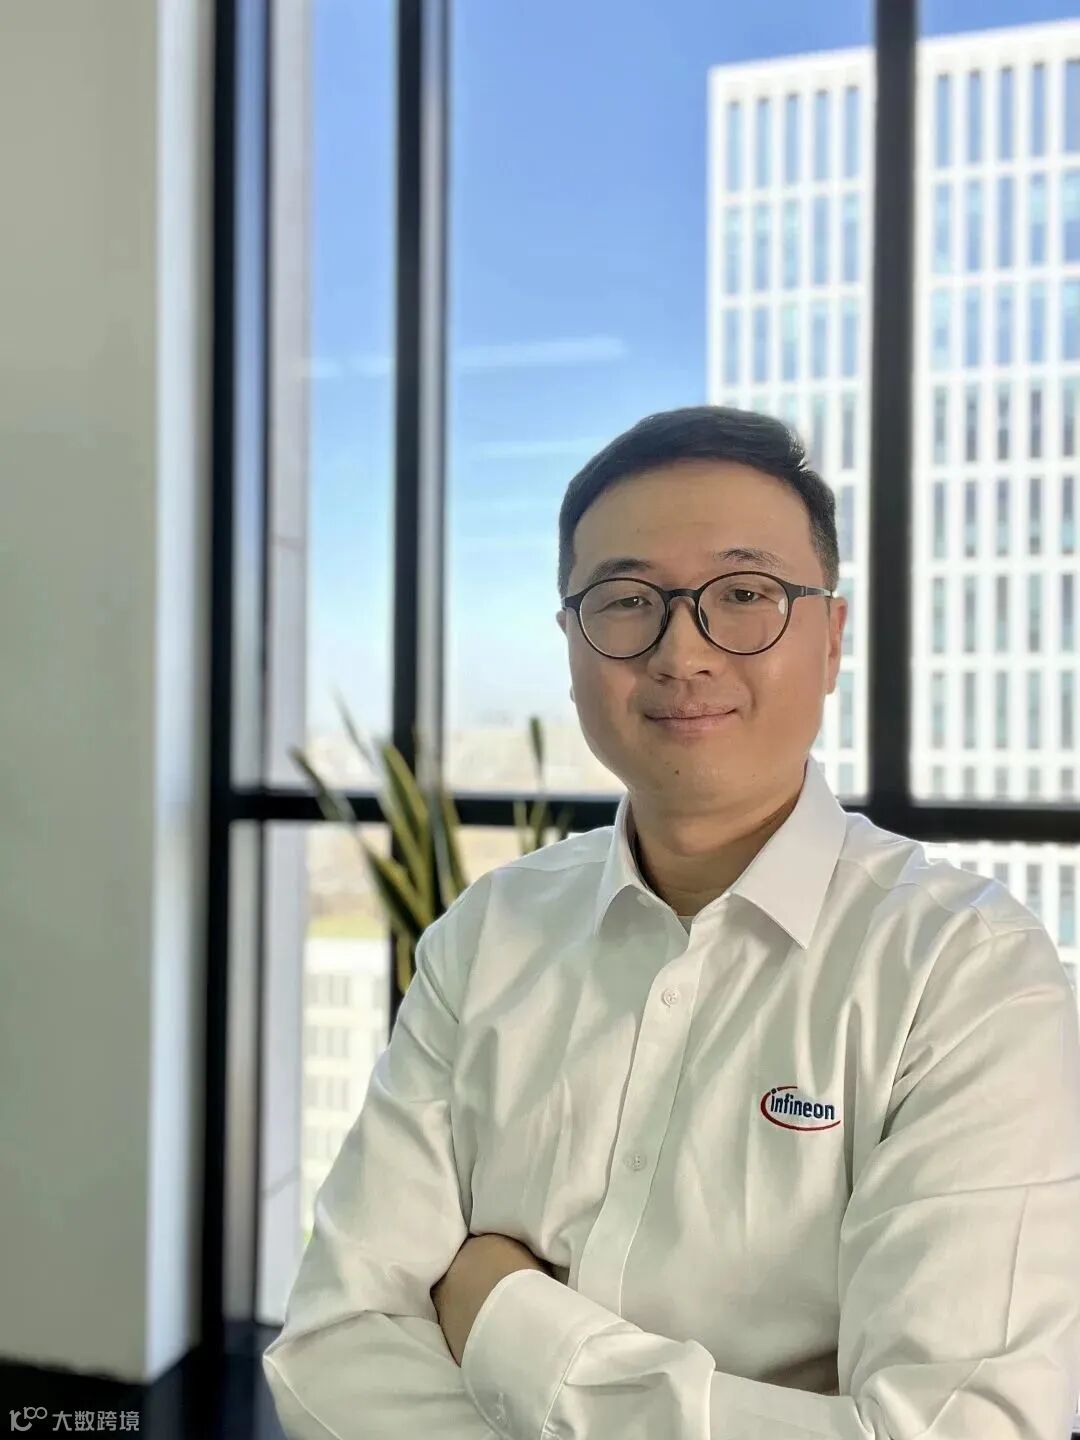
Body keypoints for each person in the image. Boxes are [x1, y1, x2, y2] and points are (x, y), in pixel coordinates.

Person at [263, 405, 1080, 1439]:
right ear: (571, 645)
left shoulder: (963, 973)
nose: (682, 652)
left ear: (831, 638)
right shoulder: (489, 935)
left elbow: (957, 1429)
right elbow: (333, 1350)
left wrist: (501, 1311)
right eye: (626, 602)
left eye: (743, 595)